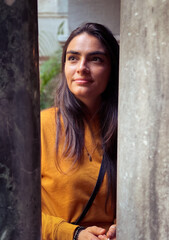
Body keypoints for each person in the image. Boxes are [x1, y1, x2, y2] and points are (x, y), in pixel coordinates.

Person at [41, 22, 119, 240]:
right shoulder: (40, 127)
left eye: (96, 59)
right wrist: (74, 234)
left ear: (113, 68)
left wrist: (119, 226)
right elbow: (13, 211)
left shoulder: (129, 132)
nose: (81, 67)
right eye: (73, 58)